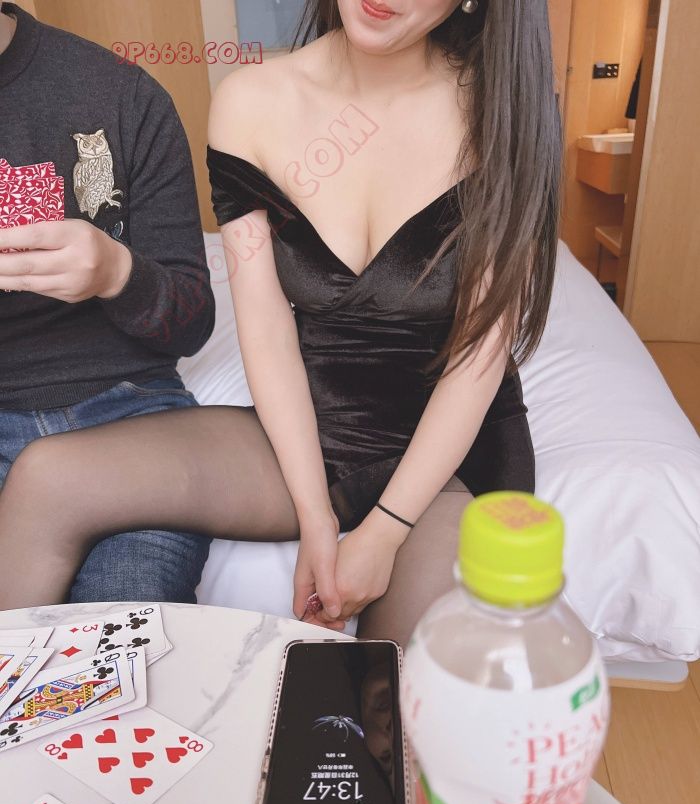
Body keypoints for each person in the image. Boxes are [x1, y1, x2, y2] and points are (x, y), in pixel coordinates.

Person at [0, 0, 561, 646]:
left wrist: (383, 532)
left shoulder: (506, 111)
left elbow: (479, 357)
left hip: (452, 451)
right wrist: (316, 518)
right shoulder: (251, 102)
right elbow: (266, 331)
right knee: (48, 477)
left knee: (386, 689)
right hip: (319, 424)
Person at [0, 3, 215, 604]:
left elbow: (194, 321)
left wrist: (118, 273)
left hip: (129, 415)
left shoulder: (121, 94)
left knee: (118, 637)